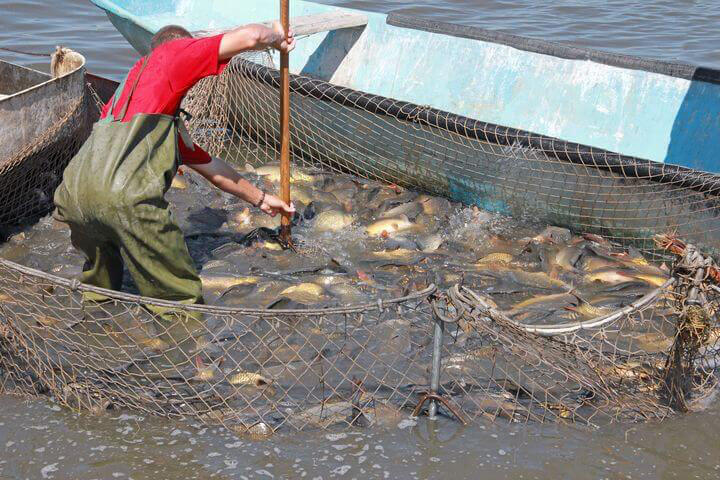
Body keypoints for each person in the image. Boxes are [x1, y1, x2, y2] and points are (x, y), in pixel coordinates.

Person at [53, 22, 296, 350]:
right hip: (123, 198)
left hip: (73, 196)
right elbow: (251, 37)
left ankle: (91, 346)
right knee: (179, 300)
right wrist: (277, 36)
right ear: (180, 45)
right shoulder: (174, 51)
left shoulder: (138, 93)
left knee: (100, 286)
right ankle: (180, 372)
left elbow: (211, 168)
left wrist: (264, 200)